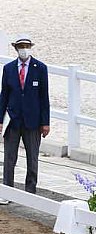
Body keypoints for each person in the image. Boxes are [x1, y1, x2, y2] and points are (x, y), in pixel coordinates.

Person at [0, 34, 50, 203]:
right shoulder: (8, 69)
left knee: (32, 158)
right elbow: (4, 96)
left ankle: (30, 192)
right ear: (16, 48)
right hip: (13, 119)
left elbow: (44, 97)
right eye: (21, 46)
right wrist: (0, 120)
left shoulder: (40, 68)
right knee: (9, 158)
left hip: (33, 121)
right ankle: (7, 191)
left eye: (26, 46)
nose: (24, 49)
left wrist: (45, 123)